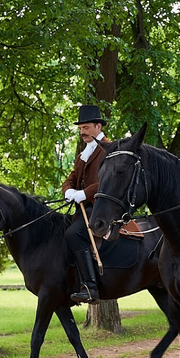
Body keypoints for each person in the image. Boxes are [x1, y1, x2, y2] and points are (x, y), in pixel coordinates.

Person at [62, 104, 111, 305]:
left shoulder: (110, 149)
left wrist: (85, 193)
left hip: (102, 207)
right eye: (80, 129)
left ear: (98, 127)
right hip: (83, 207)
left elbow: (110, 181)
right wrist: (69, 191)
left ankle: (91, 287)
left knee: (73, 234)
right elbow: (70, 179)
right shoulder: (83, 154)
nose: (82, 132)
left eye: (86, 128)